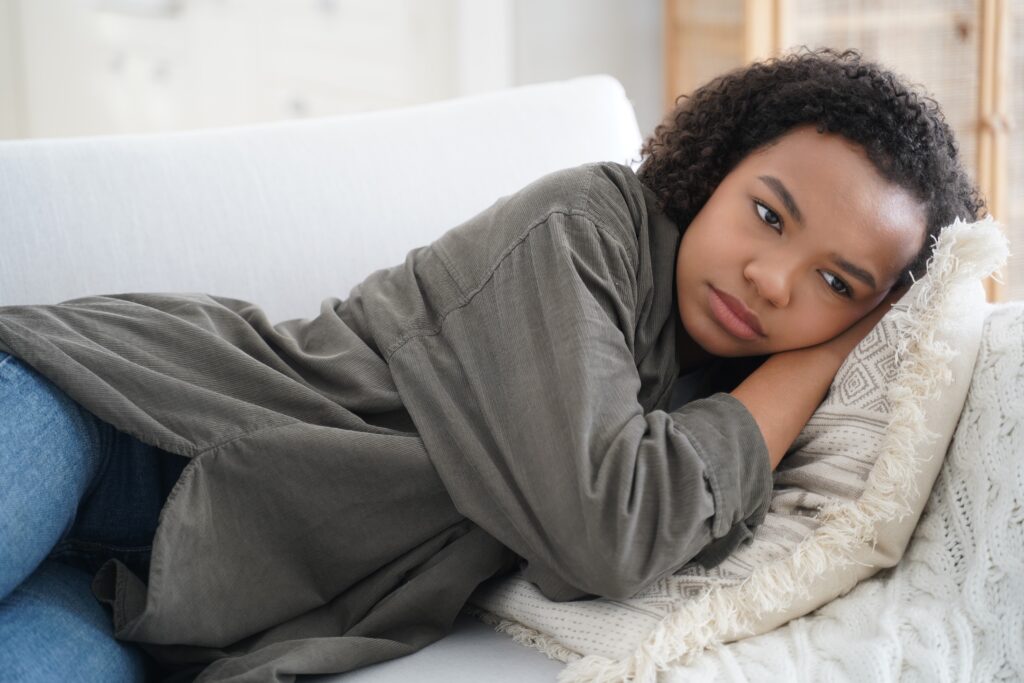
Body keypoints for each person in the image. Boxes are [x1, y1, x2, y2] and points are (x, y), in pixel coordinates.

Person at [0, 47, 983, 682]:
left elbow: (590, 561)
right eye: (767, 213)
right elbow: (607, 526)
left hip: (146, 595)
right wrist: (807, 366)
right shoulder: (584, 225)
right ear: (716, 167)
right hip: (111, 413)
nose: (773, 280)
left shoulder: (710, 409)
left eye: (835, 282)